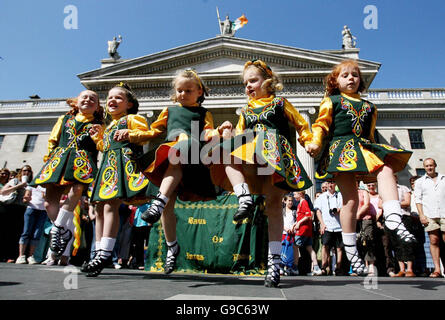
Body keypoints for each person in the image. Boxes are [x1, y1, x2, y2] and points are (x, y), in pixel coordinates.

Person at [306, 59, 416, 275]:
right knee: (350, 200)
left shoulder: (369, 107)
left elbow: (371, 134)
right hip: (341, 150)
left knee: (385, 169)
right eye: (345, 75)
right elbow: (321, 124)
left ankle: (393, 216)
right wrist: (316, 142)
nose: (351, 78)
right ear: (335, 81)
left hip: (363, 148)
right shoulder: (331, 101)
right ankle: (351, 252)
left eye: (355, 75)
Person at [211, 59, 313, 287]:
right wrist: (226, 133)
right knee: (225, 154)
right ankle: (244, 196)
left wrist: (309, 143)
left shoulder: (280, 103)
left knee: (275, 207)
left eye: (253, 80)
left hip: (276, 157)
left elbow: (301, 125)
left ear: (267, 82)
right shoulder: (246, 110)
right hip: (252, 152)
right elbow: (239, 134)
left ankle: (274, 264)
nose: (248, 86)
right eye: (245, 82)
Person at [139, 69, 230, 274]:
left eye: (188, 90)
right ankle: (172, 248)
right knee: (167, 209)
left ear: (199, 91)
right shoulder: (169, 111)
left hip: (192, 156)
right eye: (179, 90)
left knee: (181, 150)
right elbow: (153, 131)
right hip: (171, 154)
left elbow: (207, 133)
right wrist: (133, 135)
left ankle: (157, 203)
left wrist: (220, 132)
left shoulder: (203, 113)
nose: (182, 94)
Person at [86, 83, 151, 277]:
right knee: (99, 207)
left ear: (129, 104)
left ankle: (104, 252)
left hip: (123, 167)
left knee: (109, 206)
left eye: (118, 98)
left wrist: (130, 134)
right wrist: (98, 138)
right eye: (110, 98)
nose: (112, 101)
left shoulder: (133, 119)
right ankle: (98, 252)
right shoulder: (108, 127)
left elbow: (145, 137)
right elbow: (105, 147)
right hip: (108, 168)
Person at [31, 90, 103, 264]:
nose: (88, 100)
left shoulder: (99, 124)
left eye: (93, 98)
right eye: (84, 97)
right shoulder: (64, 119)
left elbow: (102, 146)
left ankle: (56, 230)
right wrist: (49, 160)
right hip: (60, 160)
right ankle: (63, 246)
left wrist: (99, 134)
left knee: (77, 189)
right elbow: (53, 140)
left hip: (82, 162)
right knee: (49, 204)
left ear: (97, 106)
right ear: (76, 102)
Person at [414, 158, 445, 278]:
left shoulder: (443, 178)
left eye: (431, 165)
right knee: (434, 240)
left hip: (443, 212)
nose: (429, 168)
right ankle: (437, 269)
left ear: (435, 165)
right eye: (427, 166)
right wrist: (421, 214)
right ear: (424, 167)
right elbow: (418, 199)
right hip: (429, 214)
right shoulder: (420, 182)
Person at [0, 166, 32, 262]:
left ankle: (11, 256)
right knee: (5, 232)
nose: (26, 172)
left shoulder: (30, 184)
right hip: (10, 207)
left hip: (22, 209)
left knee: (16, 233)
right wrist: (19, 186)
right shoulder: (15, 181)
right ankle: (2, 255)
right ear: (21, 172)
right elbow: (3, 191)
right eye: (24, 170)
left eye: (28, 171)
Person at [314, 181, 344, 275]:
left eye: (332, 183)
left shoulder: (340, 195)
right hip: (327, 226)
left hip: (339, 226)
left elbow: (344, 208)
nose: (330, 185)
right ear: (326, 185)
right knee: (325, 246)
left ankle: (338, 268)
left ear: (335, 184)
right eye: (329, 183)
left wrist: (339, 210)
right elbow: (318, 211)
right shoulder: (322, 197)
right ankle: (324, 266)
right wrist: (322, 224)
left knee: (339, 248)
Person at [15, 183, 47, 264]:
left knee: (36, 234)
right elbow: (26, 197)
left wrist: (46, 195)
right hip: (31, 209)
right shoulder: (32, 185)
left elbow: (49, 198)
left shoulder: (48, 186)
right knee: (26, 232)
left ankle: (31, 256)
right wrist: (26, 198)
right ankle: (21, 256)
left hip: (43, 211)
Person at [293, 191, 322, 275]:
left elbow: (308, 215)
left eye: (295, 194)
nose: (294, 196)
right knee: (309, 248)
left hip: (303, 230)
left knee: (295, 246)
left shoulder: (304, 202)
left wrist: (298, 223)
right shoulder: (300, 204)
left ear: (300, 194)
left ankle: (295, 268)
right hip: (307, 230)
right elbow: (302, 216)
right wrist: (296, 223)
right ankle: (316, 267)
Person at [356, 182, 377, 275]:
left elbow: (366, 204)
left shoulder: (363, 192)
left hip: (365, 219)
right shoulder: (349, 192)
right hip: (354, 221)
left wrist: (359, 214)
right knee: (358, 242)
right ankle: (363, 265)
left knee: (368, 240)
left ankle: (371, 265)